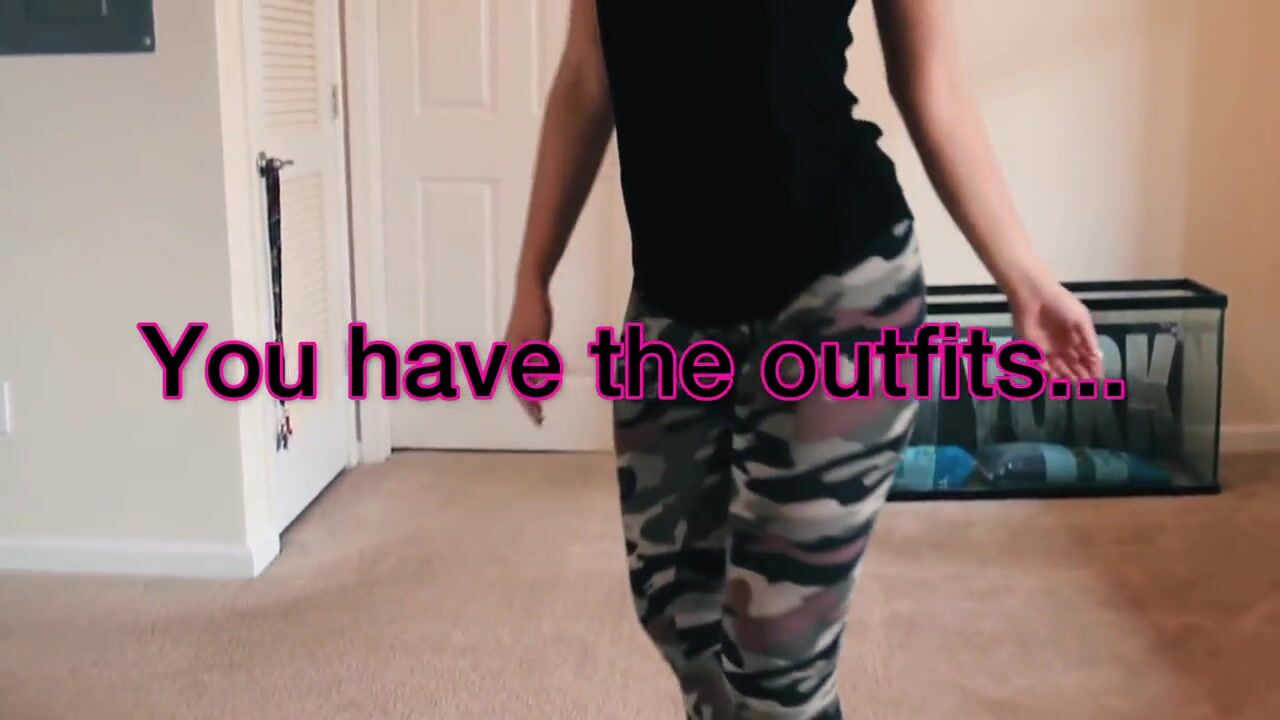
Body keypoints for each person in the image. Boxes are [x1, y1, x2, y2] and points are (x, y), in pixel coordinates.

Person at [502, 1, 1103, 717]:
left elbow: (933, 86)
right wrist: (532, 280)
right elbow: (586, 76)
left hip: (840, 297)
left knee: (777, 658)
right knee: (678, 613)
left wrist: (1026, 279)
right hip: (673, 307)